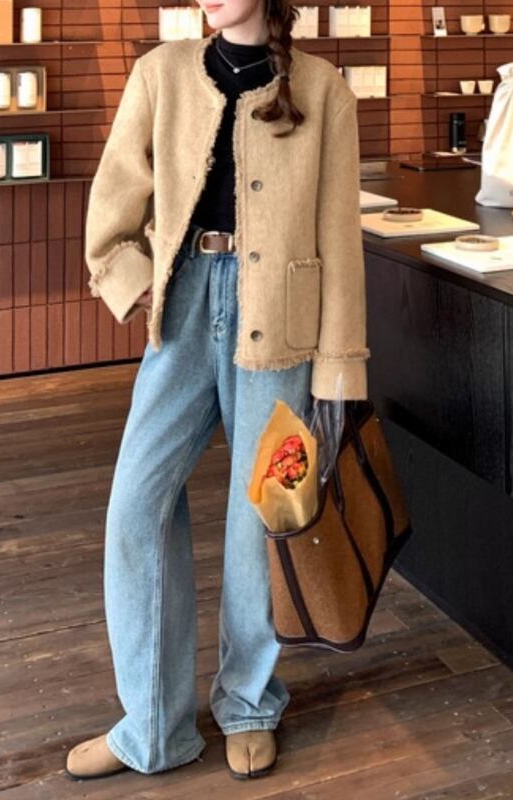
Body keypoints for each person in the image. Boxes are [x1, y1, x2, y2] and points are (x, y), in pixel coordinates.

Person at [65, 0, 369, 782]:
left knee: (260, 518)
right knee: (136, 506)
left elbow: (339, 237)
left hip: (284, 321)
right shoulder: (159, 73)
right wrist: (132, 282)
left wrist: (340, 370)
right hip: (184, 310)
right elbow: (113, 202)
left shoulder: (324, 89)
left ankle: (250, 703)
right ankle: (150, 726)